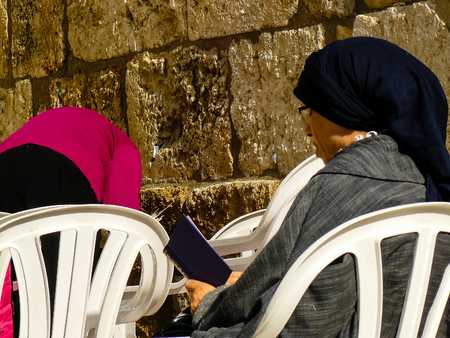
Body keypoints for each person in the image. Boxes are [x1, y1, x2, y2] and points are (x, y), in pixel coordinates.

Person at [175, 37, 450, 337]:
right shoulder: (429, 186)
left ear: (343, 111)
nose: (307, 128)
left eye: (310, 111)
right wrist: (252, 285)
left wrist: (208, 304)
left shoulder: (336, 188)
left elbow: (299, 321)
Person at [0, 106, 142, 338]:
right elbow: (124, 218)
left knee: (14, 280)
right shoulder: (124, 145)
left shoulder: (79, 124)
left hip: (5, 162)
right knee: (66, 297)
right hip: (59, 165)